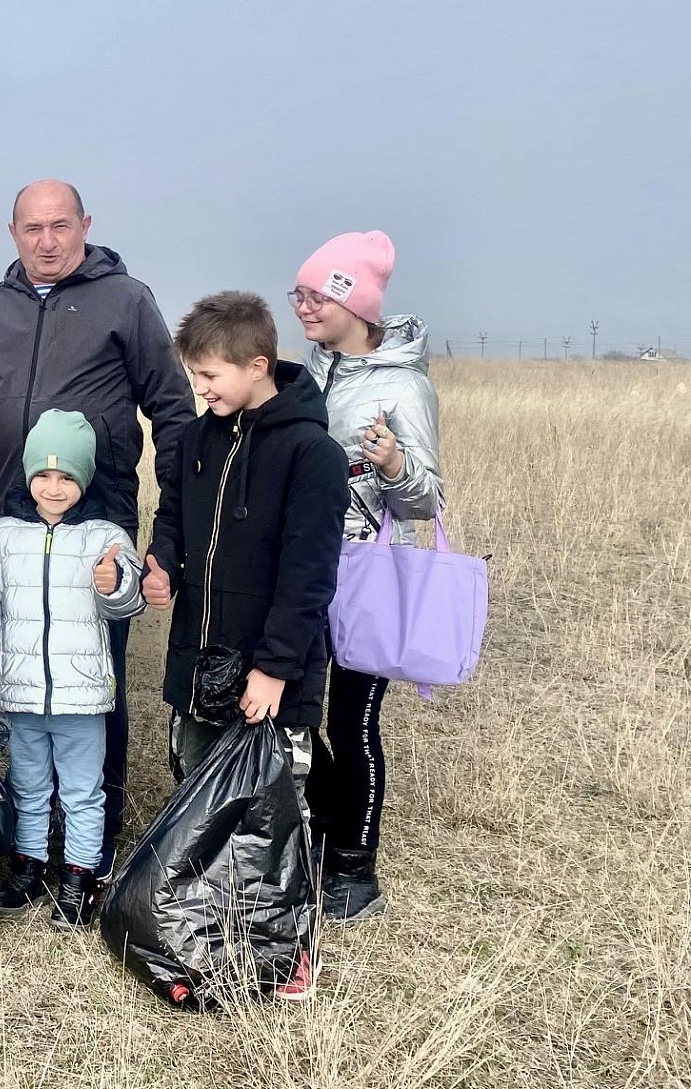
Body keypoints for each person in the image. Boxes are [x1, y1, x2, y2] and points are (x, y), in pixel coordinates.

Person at [0, 179, 195, 873]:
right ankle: (28, 833)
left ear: (86, 225)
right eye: (33, 228)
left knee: (88, 677)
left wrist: (172, 531)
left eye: (61, 225)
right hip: (13, 521)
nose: (48, 240)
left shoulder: (127, 301)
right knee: (22, 674)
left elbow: (172, 410)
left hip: (95, 523)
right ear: (12, 232)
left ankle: (90, 839)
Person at [143, 290, 348, 1000]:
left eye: (209, 377)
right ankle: (213, 924)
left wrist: (273, 670)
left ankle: (291, 949)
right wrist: (161, 559)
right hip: (199, 661)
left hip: (271, 673)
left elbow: (310, 575)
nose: (199, 390)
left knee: (276, 810)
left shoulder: (312, 453)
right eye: (194, 377)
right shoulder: (198, 440)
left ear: (257, 363)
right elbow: (171, 514)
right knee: (200, 792)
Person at [291, 230, 444, 923]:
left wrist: (391, 467)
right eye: (297, 294)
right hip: (303, 564)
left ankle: (355, 865)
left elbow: (427, 499)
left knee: (351, 720)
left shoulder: (403, 383)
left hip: (366, 571)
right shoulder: (307, 368)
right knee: (289, 709)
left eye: (316, 293)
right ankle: (324, 822)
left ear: (355, 299)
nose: (302, 306)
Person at [0, 409, 145, 928]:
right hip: (22, 694)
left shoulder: (106, 536)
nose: (54, 488)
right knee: (27, 785)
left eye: (67, 477)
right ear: (28, 475)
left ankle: (81, 877)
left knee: (82, 788)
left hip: (82, 699)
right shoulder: (2, 538)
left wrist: (115, 584)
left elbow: (129, 601)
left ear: (84, 479)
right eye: (44, 475)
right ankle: (28, 865)